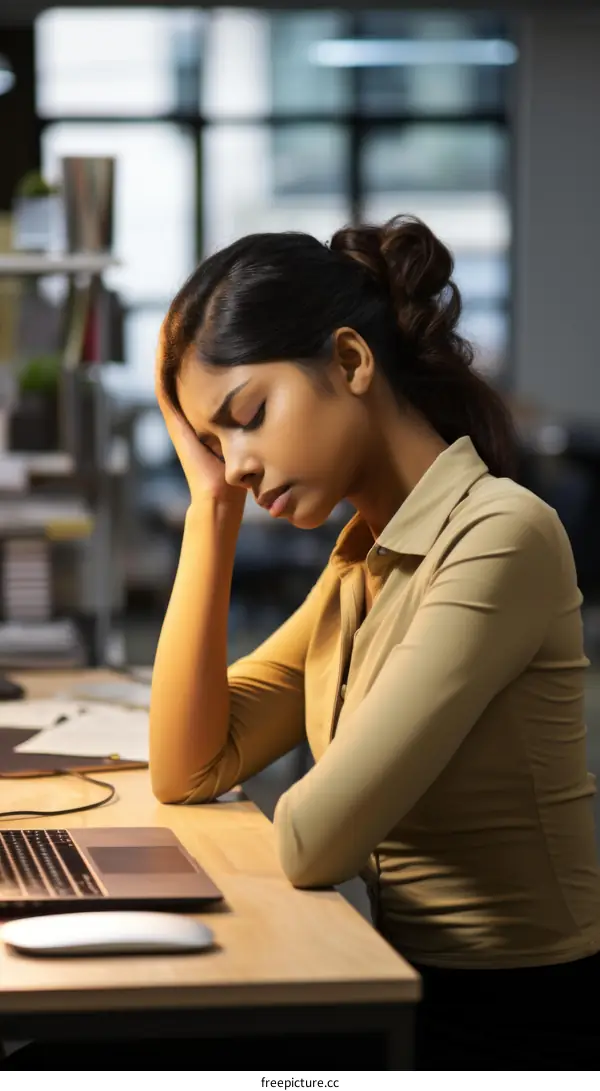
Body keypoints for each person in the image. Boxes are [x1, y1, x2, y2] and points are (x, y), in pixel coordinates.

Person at [148, 215, 600, 1071]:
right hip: (398, 985)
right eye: (213, 445)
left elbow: (316, 843)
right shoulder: (364, 557)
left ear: (351, 362)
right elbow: (189, 765)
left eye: (247, 416)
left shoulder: (501, 537)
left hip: (520, 1029)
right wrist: (210, 512)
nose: (236, 462)